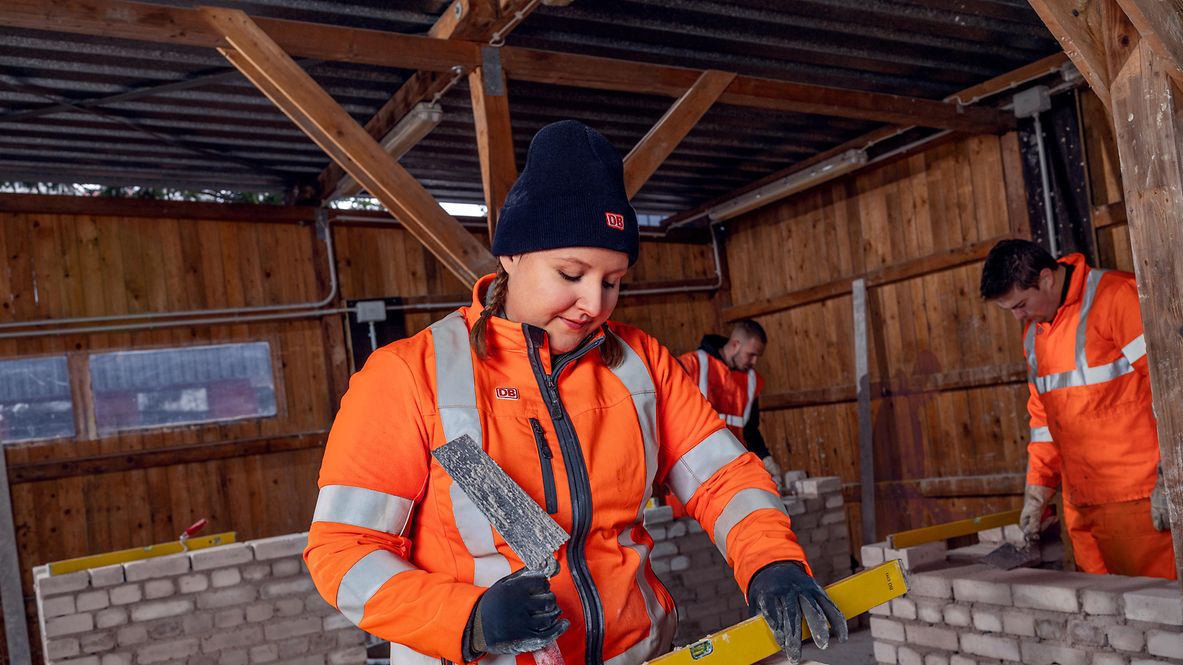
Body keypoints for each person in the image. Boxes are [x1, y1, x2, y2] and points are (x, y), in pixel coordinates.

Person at [305, 120, 846, 665]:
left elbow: (723, 478)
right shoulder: (408, 375)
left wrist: (771, 561)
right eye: (570, 274)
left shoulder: (641, 365)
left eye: (612, 281)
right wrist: (467, 620)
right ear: (511, 255)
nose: (594, 304)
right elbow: (343, 550)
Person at [980, 238, 1174, 579]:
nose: (1018, 316)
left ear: (1046, 278)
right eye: (1009, 309)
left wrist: (1172, 476)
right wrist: (1037, 492)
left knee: (1155, 606)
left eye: (1020, 305)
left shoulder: (1117, 298)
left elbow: (1174, 387)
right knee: (1102, 608)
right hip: (1081, 508)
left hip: (1139, 501)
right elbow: (1044, 422)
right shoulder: (1034, 336)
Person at [677, 321, 780, 481]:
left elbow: (750, 429)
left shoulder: (751, 380)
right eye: (751, 354)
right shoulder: (691, 366)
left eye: (757, 357)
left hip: (733, 470)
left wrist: (765, 457)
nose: (754, 362)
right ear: (735, 345)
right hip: (694, 471)